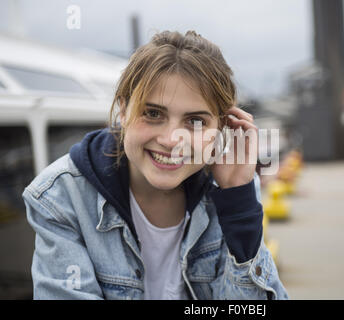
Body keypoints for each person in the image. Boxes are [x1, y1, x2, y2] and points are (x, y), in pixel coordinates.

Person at [23, 30, 288, 300]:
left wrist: (238, 203)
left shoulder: (233, 189)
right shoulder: (61, 196)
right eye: (152, 114)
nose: (172, 140)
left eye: (195, 121)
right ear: (123, 111)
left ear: (221, 129)